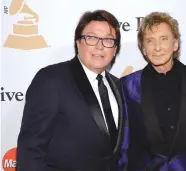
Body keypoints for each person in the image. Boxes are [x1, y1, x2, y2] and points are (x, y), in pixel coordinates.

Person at [17, 10, 128, 171]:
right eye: (91, 38)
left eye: (108, 40)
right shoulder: (51, 79)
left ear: (115, 48)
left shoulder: (118, 86)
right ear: (78, 42)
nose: (100, 46)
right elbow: (30, 151)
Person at [120, 12, 186, 171]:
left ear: (175, 44)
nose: (157, 47)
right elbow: (124, 145)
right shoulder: (127, 85)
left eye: (164, 39)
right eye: (150, 41)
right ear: (143, 48)